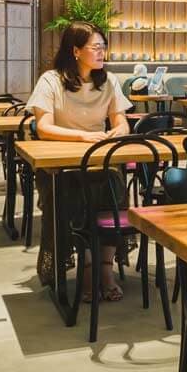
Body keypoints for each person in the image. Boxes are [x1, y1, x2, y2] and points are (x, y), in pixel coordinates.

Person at [29, 21, 132, 302]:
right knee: (75, 199)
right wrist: (82, 137)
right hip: (62, 165)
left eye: (103, 47)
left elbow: (121, 121)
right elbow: (43, 128)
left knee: (113, 191)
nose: (101, 52)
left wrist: (118, 130)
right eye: (95, 47)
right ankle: (87, 271)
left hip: (99, 161)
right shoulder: (51, 80)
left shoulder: (108, 81)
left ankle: (106, 270)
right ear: (75, 51)